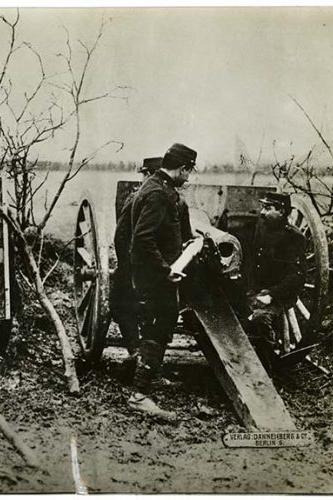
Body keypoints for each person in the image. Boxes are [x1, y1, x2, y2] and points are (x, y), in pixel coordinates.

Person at [128, 143, 197, 419]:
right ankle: (139, 395)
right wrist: (166, 269)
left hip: (153, 275)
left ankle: (149, 380)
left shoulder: (156, 186)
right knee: (158, 328)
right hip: (155, 278)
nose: (189, 177)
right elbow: (143, 238)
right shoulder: (159, 193)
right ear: (182, 168)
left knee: (159, 327)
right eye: (189, 171)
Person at [246, 192, 306, 369]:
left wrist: (271, 295)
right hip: (257, 289)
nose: (262, 212)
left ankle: (269, 364)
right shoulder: (262, 228)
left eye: (267, 208)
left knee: (260, 318)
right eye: (262, 207)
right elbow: (253, 262)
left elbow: (297, 276)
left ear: (281, 211)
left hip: (279, 294)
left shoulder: (293, 237)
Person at [110, 157, 162, 355]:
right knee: (126, 305)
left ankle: (142, 353)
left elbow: (121, 235)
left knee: (133, 306)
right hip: (141, 264)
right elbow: (121, 236)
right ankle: (136, 351)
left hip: (149, 264)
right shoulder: (139, 199)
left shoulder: (148, 197)